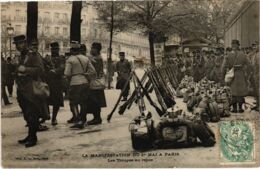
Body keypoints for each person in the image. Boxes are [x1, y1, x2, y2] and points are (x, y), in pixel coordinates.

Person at [14, 35, 47, 147]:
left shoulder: (33, 55)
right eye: (17, 44)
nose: (18, 46)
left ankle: (33, 137)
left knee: (32, 112)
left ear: (25, 43)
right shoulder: (21, 56)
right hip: (22, 88)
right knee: (26, 113)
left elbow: (40, 70)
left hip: (31, 88)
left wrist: (25, 70)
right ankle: (30, 135)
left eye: (20, 43)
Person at [64, 41, 96, 126]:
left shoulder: (70, 59)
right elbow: (93, 71)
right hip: (85, 82)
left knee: (73, 103)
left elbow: (67, 73)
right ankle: (83, 120)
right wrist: (85, 74)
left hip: (74, 83)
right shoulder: (85, 58)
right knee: (83, 102)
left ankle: (77, 120)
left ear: (71, 49)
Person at [222, 40, 250, 113]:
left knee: (233, 91)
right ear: (238, 45)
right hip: (240, 74)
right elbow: (249, 65)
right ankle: (240, 108)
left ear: (232, 46)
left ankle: (234, 108)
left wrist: (224, 75)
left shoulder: (228, 55)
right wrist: (247, 73)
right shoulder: (243, 54)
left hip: (232, 74)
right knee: (240, 92)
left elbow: (223, 67)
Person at [83, 42, 107, 126]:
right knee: (94, 101)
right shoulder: (94, 58)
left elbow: (94, 71)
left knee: (95, 101)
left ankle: (97, 118)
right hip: (95, 82)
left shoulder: (97, 59)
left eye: (93, 48)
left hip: (95, 83)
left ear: (97, 50)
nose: (91, 49)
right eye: (91, 47)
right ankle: (96, 117)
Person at [45, 42, 65, 125]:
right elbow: (44, 68)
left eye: (56, 49)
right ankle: (46, 116)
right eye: (53, 49)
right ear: (51, 49)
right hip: (48, 82)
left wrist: (54, 71)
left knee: (56, 102)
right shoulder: (47, 58)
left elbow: (62, 68)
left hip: (57, 83)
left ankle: (54, 118)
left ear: (59, 49)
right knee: (46, 100)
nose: (54, 50)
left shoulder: (62, 58)